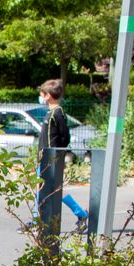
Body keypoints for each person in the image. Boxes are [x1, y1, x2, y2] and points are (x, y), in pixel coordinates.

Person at [37, 79, 89, 233]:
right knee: (41, 187)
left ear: (47, 96)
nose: (40, 96)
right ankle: (37, 219)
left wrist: (56, 155)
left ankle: (81, 214)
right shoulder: (50, 113)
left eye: (41, 94)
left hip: (51, 159)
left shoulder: (57, 113)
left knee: (53, 189)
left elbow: (64, 137)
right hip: (44, 158)